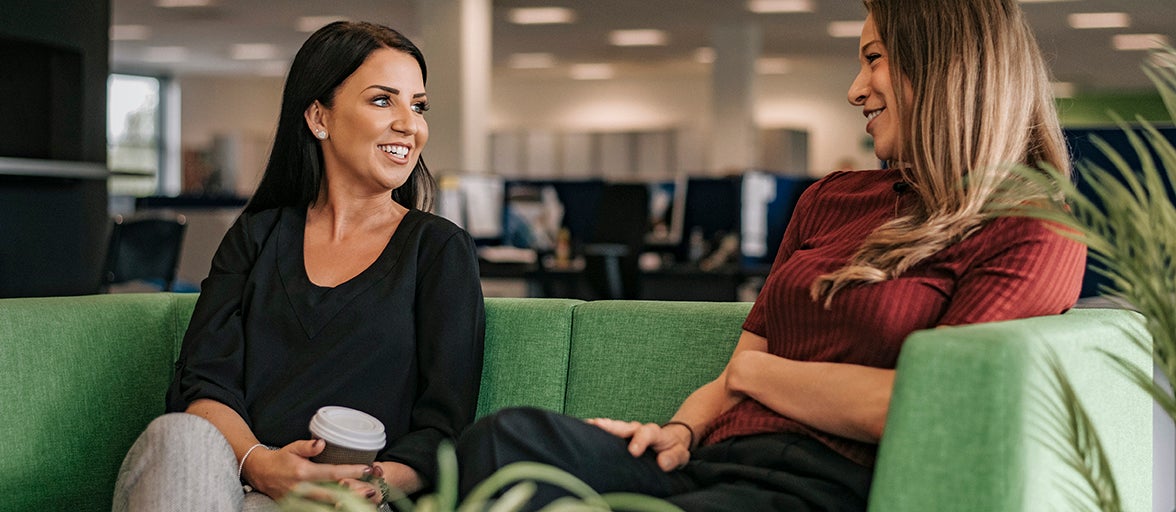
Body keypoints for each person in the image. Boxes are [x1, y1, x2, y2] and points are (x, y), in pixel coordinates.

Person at [455, 0, 1085, 510]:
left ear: (946, 64)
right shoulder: (830, 199)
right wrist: (678, 432)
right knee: (504, 441)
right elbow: (738, 366)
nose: (855, 90)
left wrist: (757, 377)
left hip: (821, 484)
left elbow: (922, 405)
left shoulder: (1028, 227)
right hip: (715, 459)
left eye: (873, 59)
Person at [113, 21, 485, 511]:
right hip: (227, 479)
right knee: (181, 435)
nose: (409, 124)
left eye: (418, 106)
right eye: (382, 100)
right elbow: (203, 385)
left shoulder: (438, 249)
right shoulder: (255, 236)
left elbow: (444, 426)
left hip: (347, 498)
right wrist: (262, 465)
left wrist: (368, 485)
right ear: (318, 117)